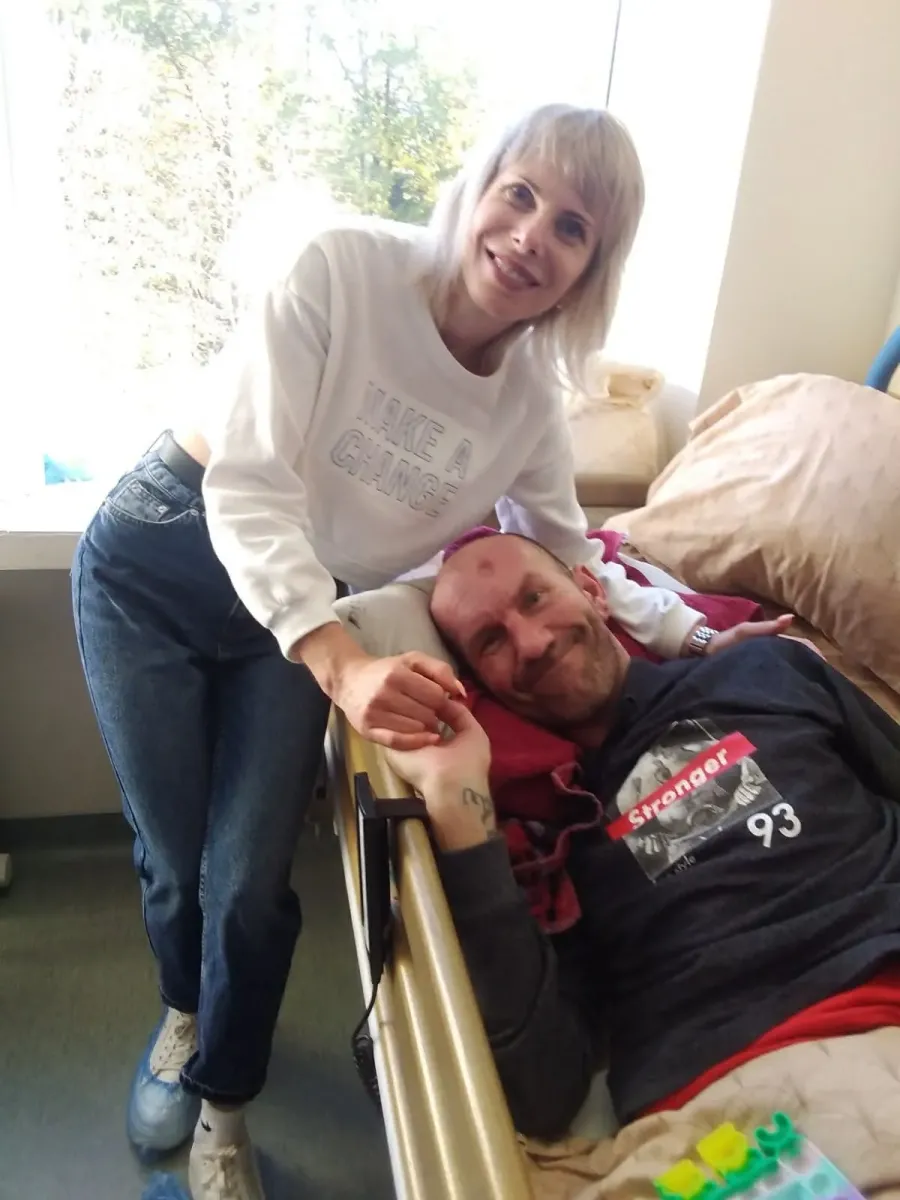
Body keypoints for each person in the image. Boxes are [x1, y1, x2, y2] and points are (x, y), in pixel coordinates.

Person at [71, 104, 786, 1200]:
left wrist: (688, 633)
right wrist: (343, 663)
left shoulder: (529, 402)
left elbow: (569, 553)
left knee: (247, 881)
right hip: (160, 561)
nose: (531, 236)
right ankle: (182, 1011)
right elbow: (249, 489)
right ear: (477, 187)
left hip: (296, 610)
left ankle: (225, 1100)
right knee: (175, 859)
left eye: (572, 228)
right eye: (520, 194)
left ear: (590, 270)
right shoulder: (343, 271)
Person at [385, 532, 900, 1193]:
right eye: (491, 641)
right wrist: (462, 816)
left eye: (535, 598)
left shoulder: (765, 670)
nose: (532, 643)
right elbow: (544, 1092)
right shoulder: (550, 831)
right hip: (713, 1109)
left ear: (594, 591)